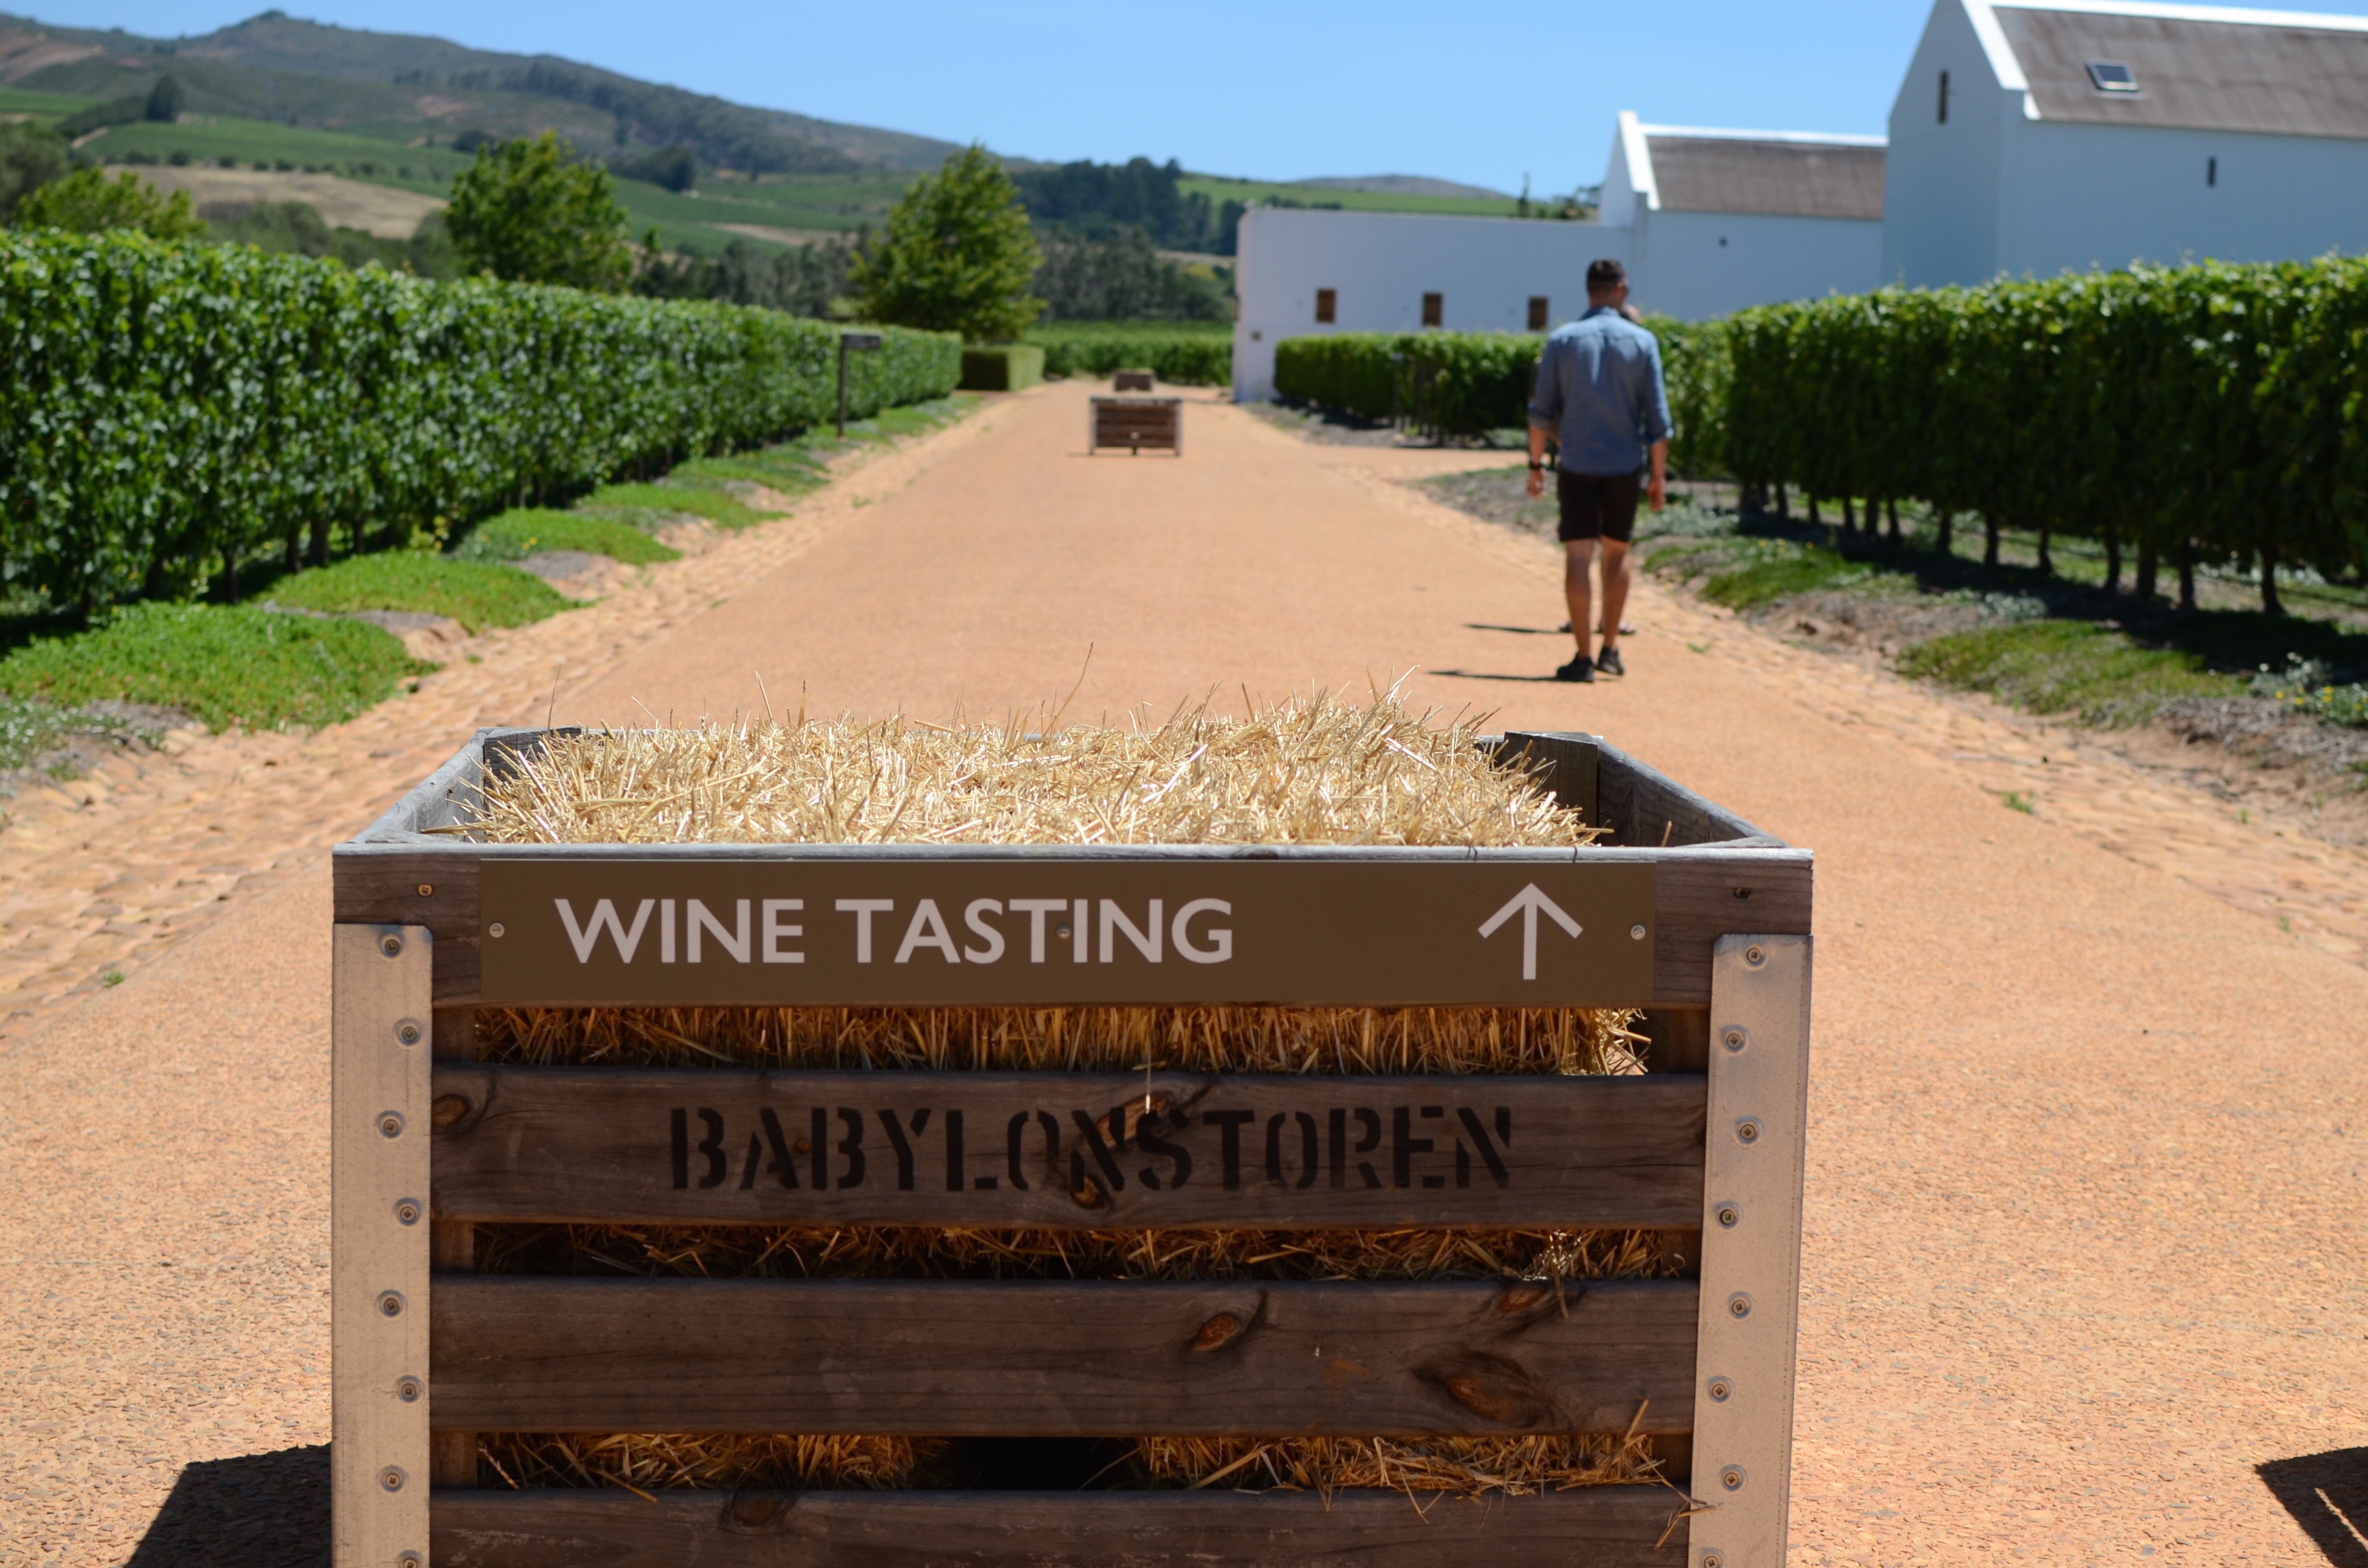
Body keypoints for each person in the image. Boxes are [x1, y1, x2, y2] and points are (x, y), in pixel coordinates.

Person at [1526, 258, 1671, 681]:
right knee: (1617, 551)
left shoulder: (1562, 340)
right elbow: (1658, 420)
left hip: (1576, 462)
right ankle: (1610, 648)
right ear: (1619, 290)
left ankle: (1583, 658)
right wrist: (1658, 476)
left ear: (1589, 289)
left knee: (1578, 554)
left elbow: (1541, 413)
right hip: (1624, 465)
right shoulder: (1643, 342)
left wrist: (1536, 464)